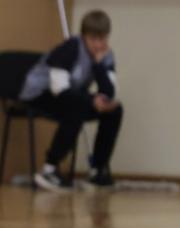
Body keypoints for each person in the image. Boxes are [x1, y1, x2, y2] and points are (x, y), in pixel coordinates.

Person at [20, 10, 122, 192]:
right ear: (84, 36)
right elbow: (59, 89)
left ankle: (98, 169)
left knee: (114, 110)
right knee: (78, 106)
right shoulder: (70, 48)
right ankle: (50, 169)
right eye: (93, 39)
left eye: (102, 39)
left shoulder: (106, 55)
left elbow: (109, 91)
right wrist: (91, 100)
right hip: (39, 94)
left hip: (71, 95)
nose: (98, 45)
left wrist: (98, 66)